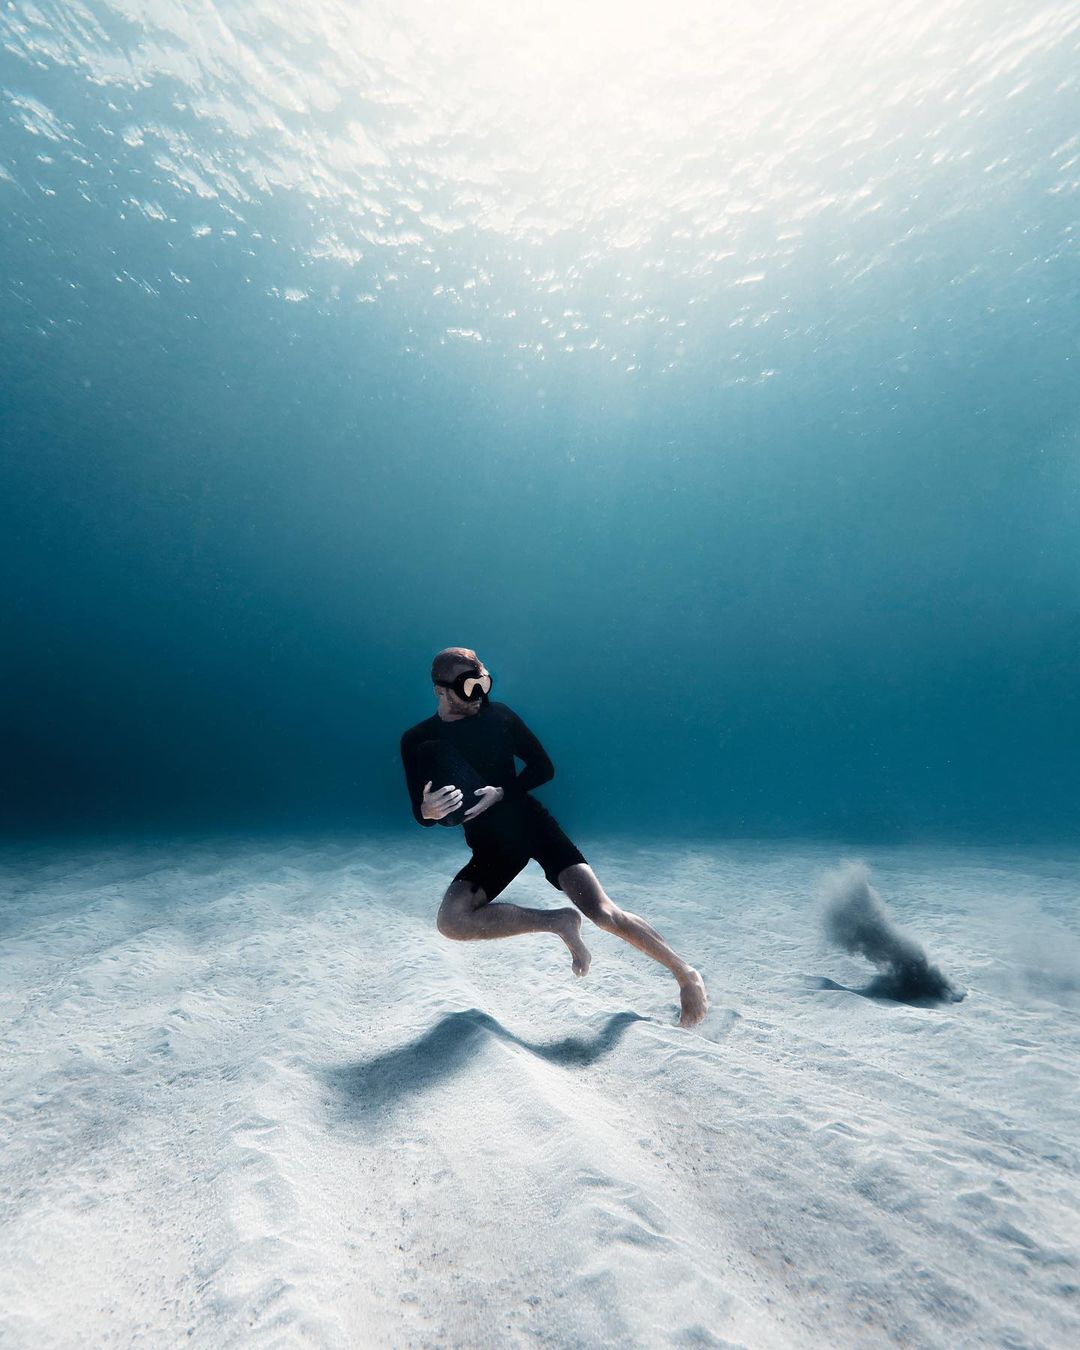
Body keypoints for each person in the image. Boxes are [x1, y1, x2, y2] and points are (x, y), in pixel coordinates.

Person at [399, 646, 708, 1028]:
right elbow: (421, 809)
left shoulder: (501, 717)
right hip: (491, 847)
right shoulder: (417, 739)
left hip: (532, 827)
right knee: (451, 921)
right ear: (441, 691)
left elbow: (543, 768)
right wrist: (427, 811)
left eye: (484, 684)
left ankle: (685, 974)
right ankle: (557, 921)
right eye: (468, 688)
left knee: (604, 913)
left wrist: (502, 791)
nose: (479, 695)